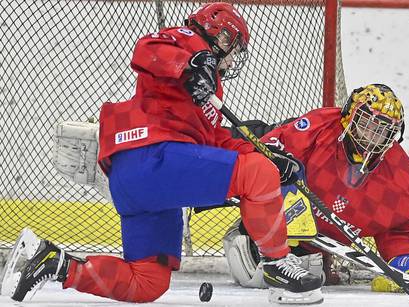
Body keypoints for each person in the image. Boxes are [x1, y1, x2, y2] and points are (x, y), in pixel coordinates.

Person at [1, 2, 322, 304]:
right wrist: (193, 62)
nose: (233, 58)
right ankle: (277, 266)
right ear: (222, 36)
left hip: (142, 184)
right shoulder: (189, 41)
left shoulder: (210, 88)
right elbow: (146, 50)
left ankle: (52, 263)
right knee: (256, 174)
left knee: (148, 283)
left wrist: (267, 155)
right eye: (234, 48)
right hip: (152, 157)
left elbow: (213, 141)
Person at [223, 84, 409, 293]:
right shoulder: (320, 126)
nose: (372, 135)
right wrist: (284, 196)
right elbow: (268, 154)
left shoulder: (402, 178)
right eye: (366, 123)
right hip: (273, 219)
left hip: (310, 247)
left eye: (382, 130)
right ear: (348, 117)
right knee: (251, 265)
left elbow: (404, 231)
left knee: (304, 277)